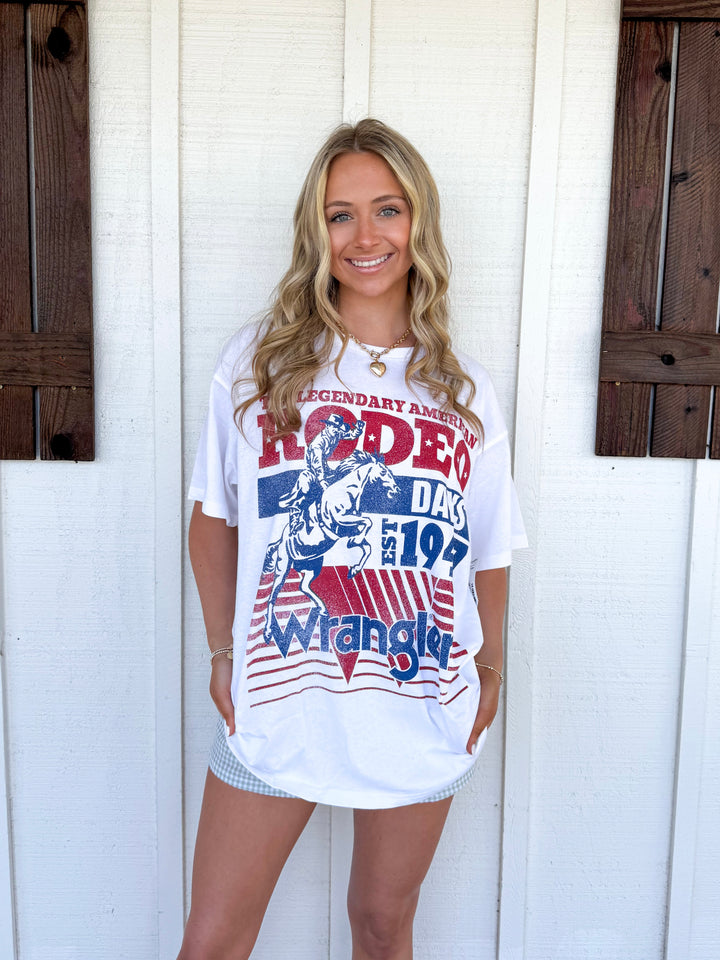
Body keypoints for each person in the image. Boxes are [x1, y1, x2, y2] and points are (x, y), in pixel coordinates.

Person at [178, 118, 527, 960]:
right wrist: (224, 653)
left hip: (420, 693)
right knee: (213, 941)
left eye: (387, 210)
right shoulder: (261, 363)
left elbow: (488, 546)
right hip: (281, 696)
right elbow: (213, 517)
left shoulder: (463, 390)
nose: (365, 237)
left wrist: (489, 668)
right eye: (341, 215)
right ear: (316, 230)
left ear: (418, 221)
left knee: (381, 924)